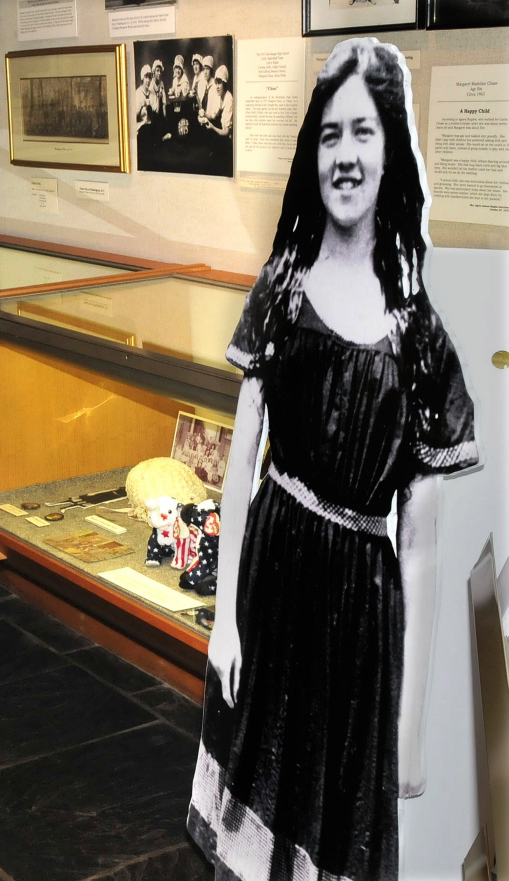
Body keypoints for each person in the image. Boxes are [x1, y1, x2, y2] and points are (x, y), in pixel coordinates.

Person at [187, 37, 477, 881]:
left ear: (390, 149)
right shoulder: (279, 287)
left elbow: (420, 547)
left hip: (357, 606)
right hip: (271, 575)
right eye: (328, 135)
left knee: (330, 818)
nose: (343, 155)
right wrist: (225, 618)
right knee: (253, 799)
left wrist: (409, 730)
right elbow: (241, 461)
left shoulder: (421, 340)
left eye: (362, 133)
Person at [200, 64, 233, 137]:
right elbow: (212, 116)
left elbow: (226, 132)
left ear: (224, 84)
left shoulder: (229, 100)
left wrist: (212, 128)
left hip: (225, 138)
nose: (217, 87)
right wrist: (204, 114)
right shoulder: (218, 96)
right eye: (216, 83)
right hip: (218, 133)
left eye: (219, 83)